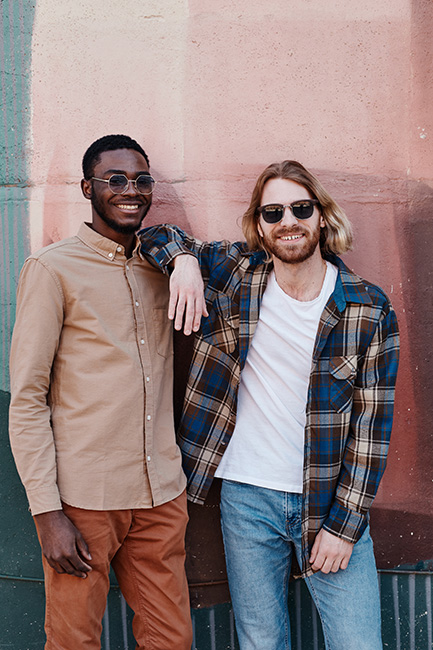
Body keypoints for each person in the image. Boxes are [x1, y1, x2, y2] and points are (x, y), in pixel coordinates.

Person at [139, 160, 400, 650]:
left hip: (328, 503)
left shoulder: (368, 308)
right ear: (258, 224)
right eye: (273, 211)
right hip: (247, 498)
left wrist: (342, 529)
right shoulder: (239, 275)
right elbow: (153, 236)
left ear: (321, 216)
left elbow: (372, 429)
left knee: (359, 643)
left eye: (301, 208)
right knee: (260, 642)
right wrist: (186, 263)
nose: (288, 221)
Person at [8, 134, 205, 650]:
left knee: (173, 641)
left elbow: (228, 255)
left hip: (162, 492)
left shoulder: (163, 265)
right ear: (87, 187)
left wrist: (183, 259)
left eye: (141, 180)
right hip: (83, 501)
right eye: (114, 179)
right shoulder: (53, 269)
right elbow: (27, 398)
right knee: (74, 642)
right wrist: (47, 512)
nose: (129, 190)